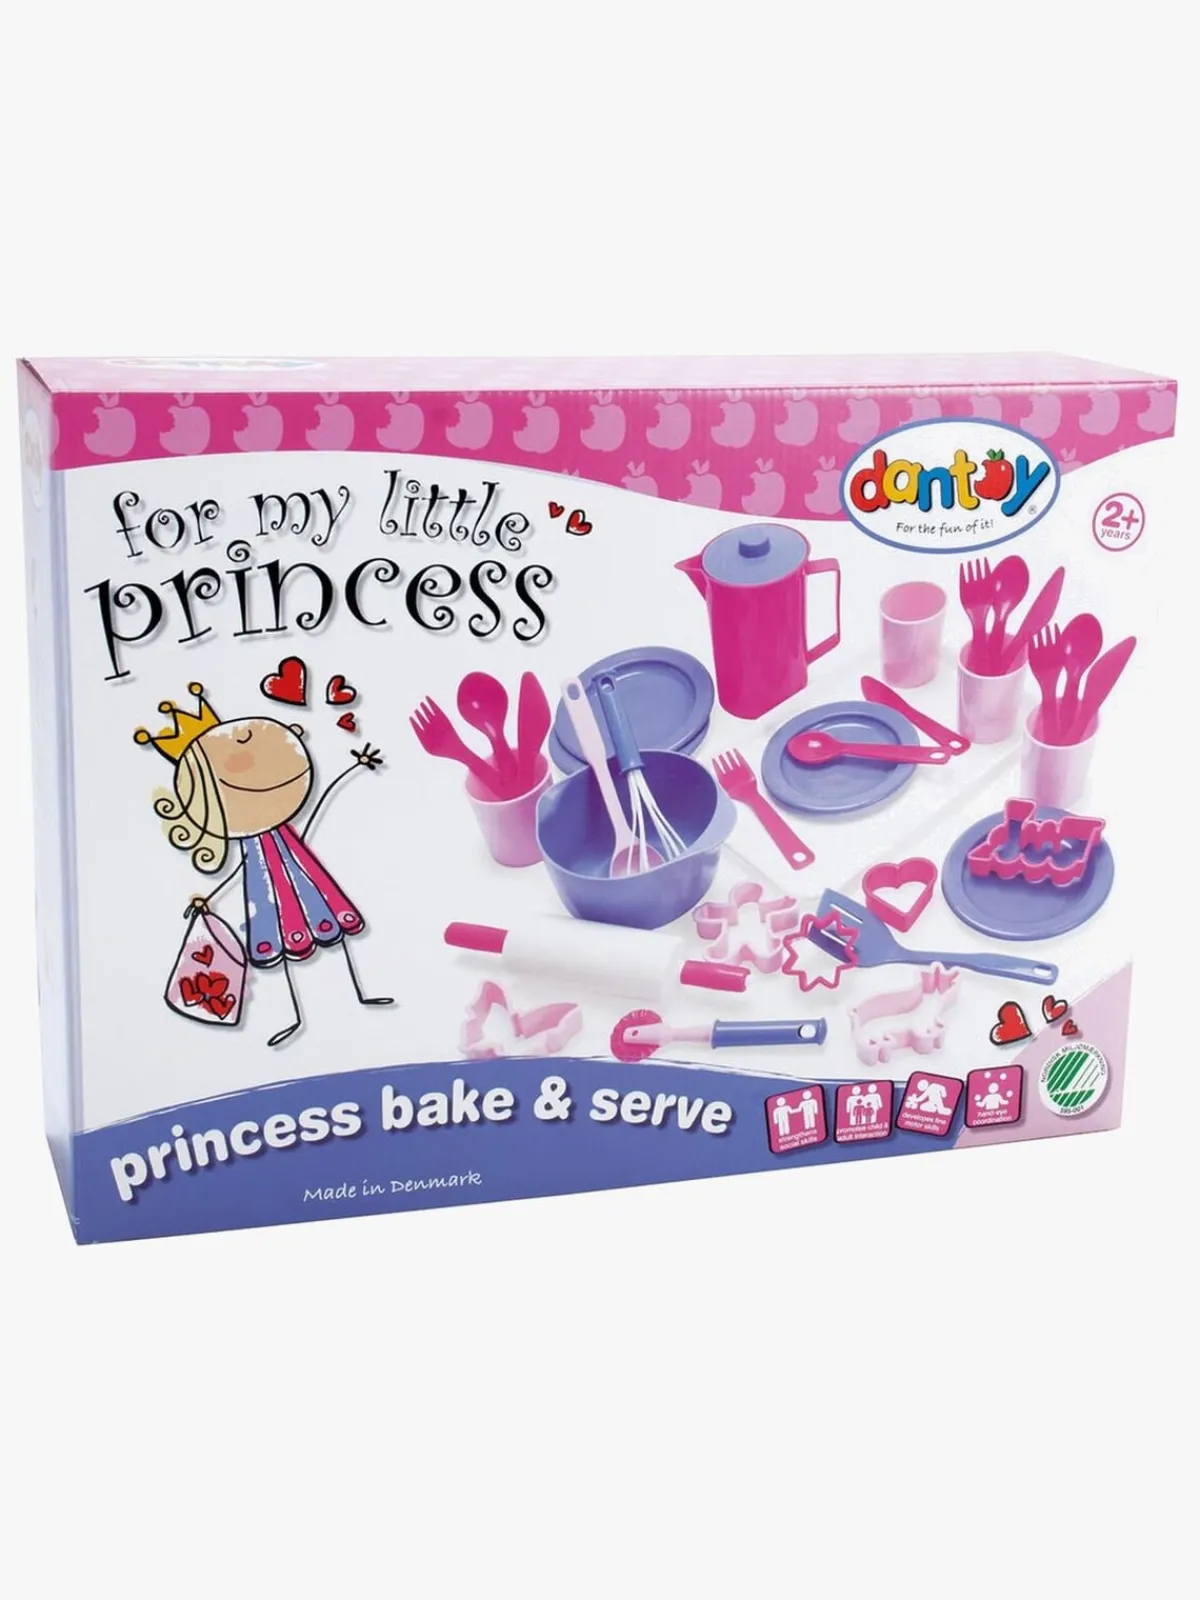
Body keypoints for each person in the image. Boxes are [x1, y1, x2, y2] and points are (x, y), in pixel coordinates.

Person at [137, 682, 392, 1047]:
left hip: (309, 882)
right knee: (285, 952)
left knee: (334, 931)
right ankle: (296, 1016)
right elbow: (241, 870)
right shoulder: (245, 840)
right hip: (268, 898)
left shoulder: (284, 827)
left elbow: (316, 811)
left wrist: (350, 771)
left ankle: (359, 993)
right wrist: (209, 898)